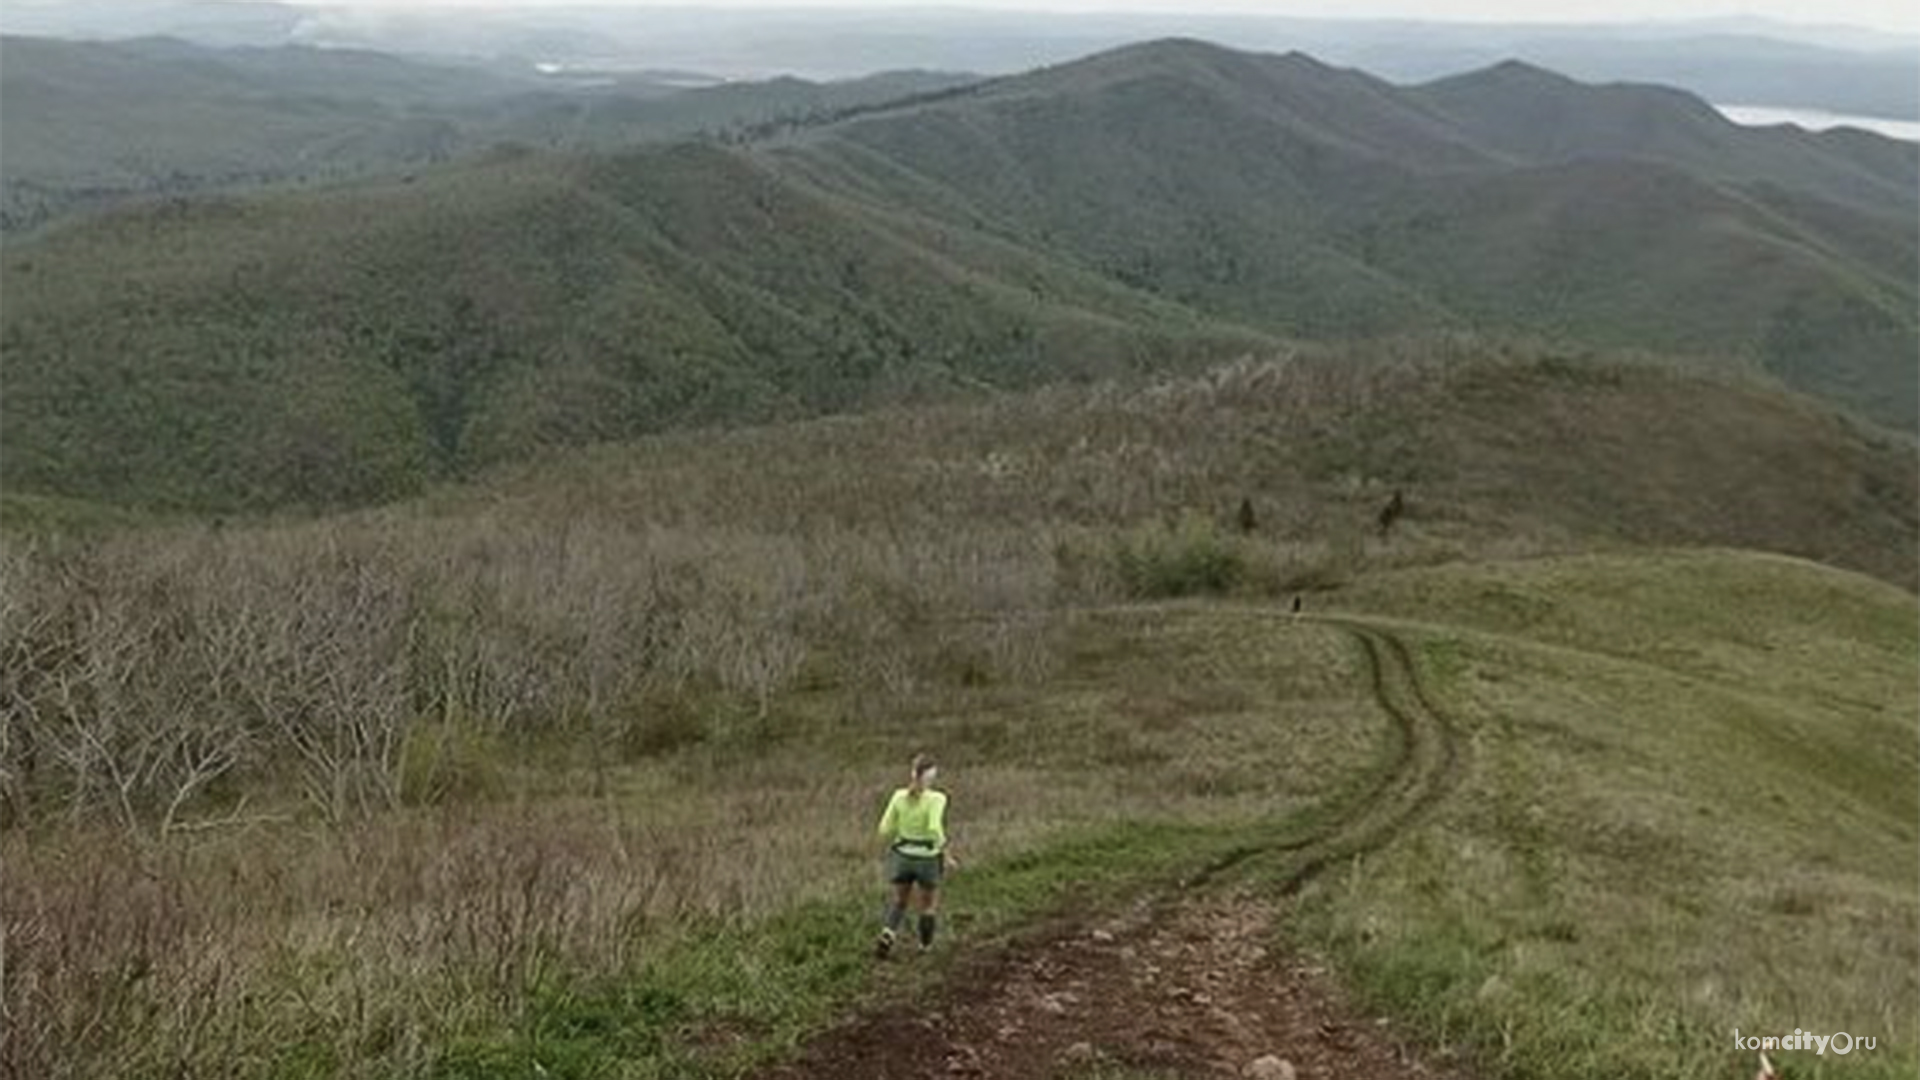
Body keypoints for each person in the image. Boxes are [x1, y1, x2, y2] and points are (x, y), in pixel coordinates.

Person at [874, 753, 956, 958]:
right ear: (931, 777)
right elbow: (934, 828)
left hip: (902, 856)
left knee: (900, 900)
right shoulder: (937, 798)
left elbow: (884, 829)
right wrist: (946, 854)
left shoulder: (898, 796)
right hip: (927, 859)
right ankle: (925, 946)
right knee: (928, 905)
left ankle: (888, 932)